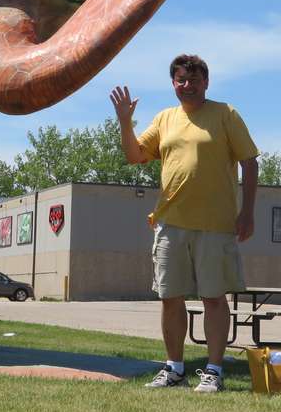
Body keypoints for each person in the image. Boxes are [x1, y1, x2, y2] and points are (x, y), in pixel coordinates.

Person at [110, 54, 258, 393]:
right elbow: (135, 156)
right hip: (170, 223)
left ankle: (214, 370)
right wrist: (124, 121)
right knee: (170, 297)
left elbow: (250, 164)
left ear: (206, 82)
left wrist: (247, 212)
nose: (187, 86)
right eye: (180, 80)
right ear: (173, 84)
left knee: (213, 298)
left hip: (216, 225)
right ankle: (174, 369)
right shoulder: (165, 118)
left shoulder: (226, 115)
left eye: (193, 80)